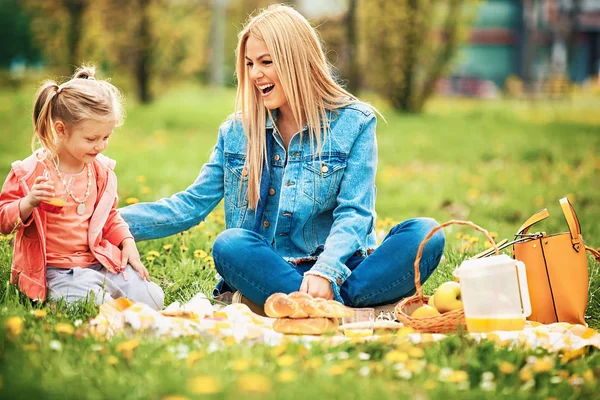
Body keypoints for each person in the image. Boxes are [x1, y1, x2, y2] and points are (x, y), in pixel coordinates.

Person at [120, 4, 444, 309]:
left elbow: (355, 213)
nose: (254, 74)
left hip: (343, 266)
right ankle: (339, 308)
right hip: (270, 267)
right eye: (249, 64)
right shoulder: (237, 132)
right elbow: (190, 205)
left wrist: (326, 271)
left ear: (296, 60)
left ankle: (307, 306)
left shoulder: (354, 122)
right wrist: (110, 222)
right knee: (230, 245)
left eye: (266, 61)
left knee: (425, 233)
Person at [0, 65, 164, 310]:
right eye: (91, 139)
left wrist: (127, 242)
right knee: (96, 306)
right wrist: (29, 202)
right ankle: (84, 301)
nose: (100, 146)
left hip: (98, 262)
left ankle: (104, 295)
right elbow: (3, 221)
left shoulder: (99, 172)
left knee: (153, 297)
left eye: (106, 137)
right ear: (61, 129)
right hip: (56, 271)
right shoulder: (30, 172)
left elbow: (109, 216)